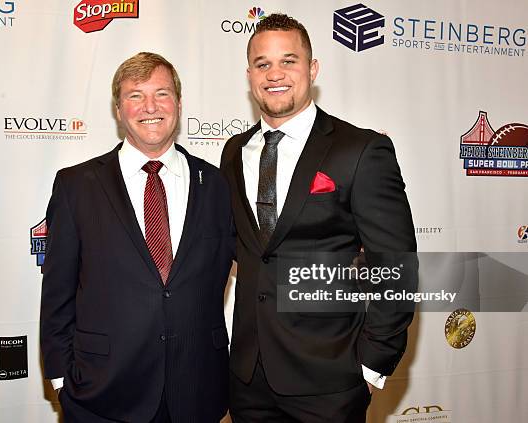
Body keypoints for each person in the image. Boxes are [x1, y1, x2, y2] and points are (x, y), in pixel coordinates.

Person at [220, 14, 417, 422]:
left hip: (330, 382)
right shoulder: (234, 151)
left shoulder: (361, 149)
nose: (275, 74)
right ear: (249, 75)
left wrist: (371, 365)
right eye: (263, 64)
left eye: (288, 61)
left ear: (312, 69)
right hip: (247, 379)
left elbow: (395, 266)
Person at [40, 52, 235, 423]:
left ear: (178, 103)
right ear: (118, 109)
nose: (150, 106)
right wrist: (63, 379)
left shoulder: (215, 184)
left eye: (162, 94)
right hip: (102, 393)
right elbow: (57, 294)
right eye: (135, 95)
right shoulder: (76, 185)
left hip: (198, 390)